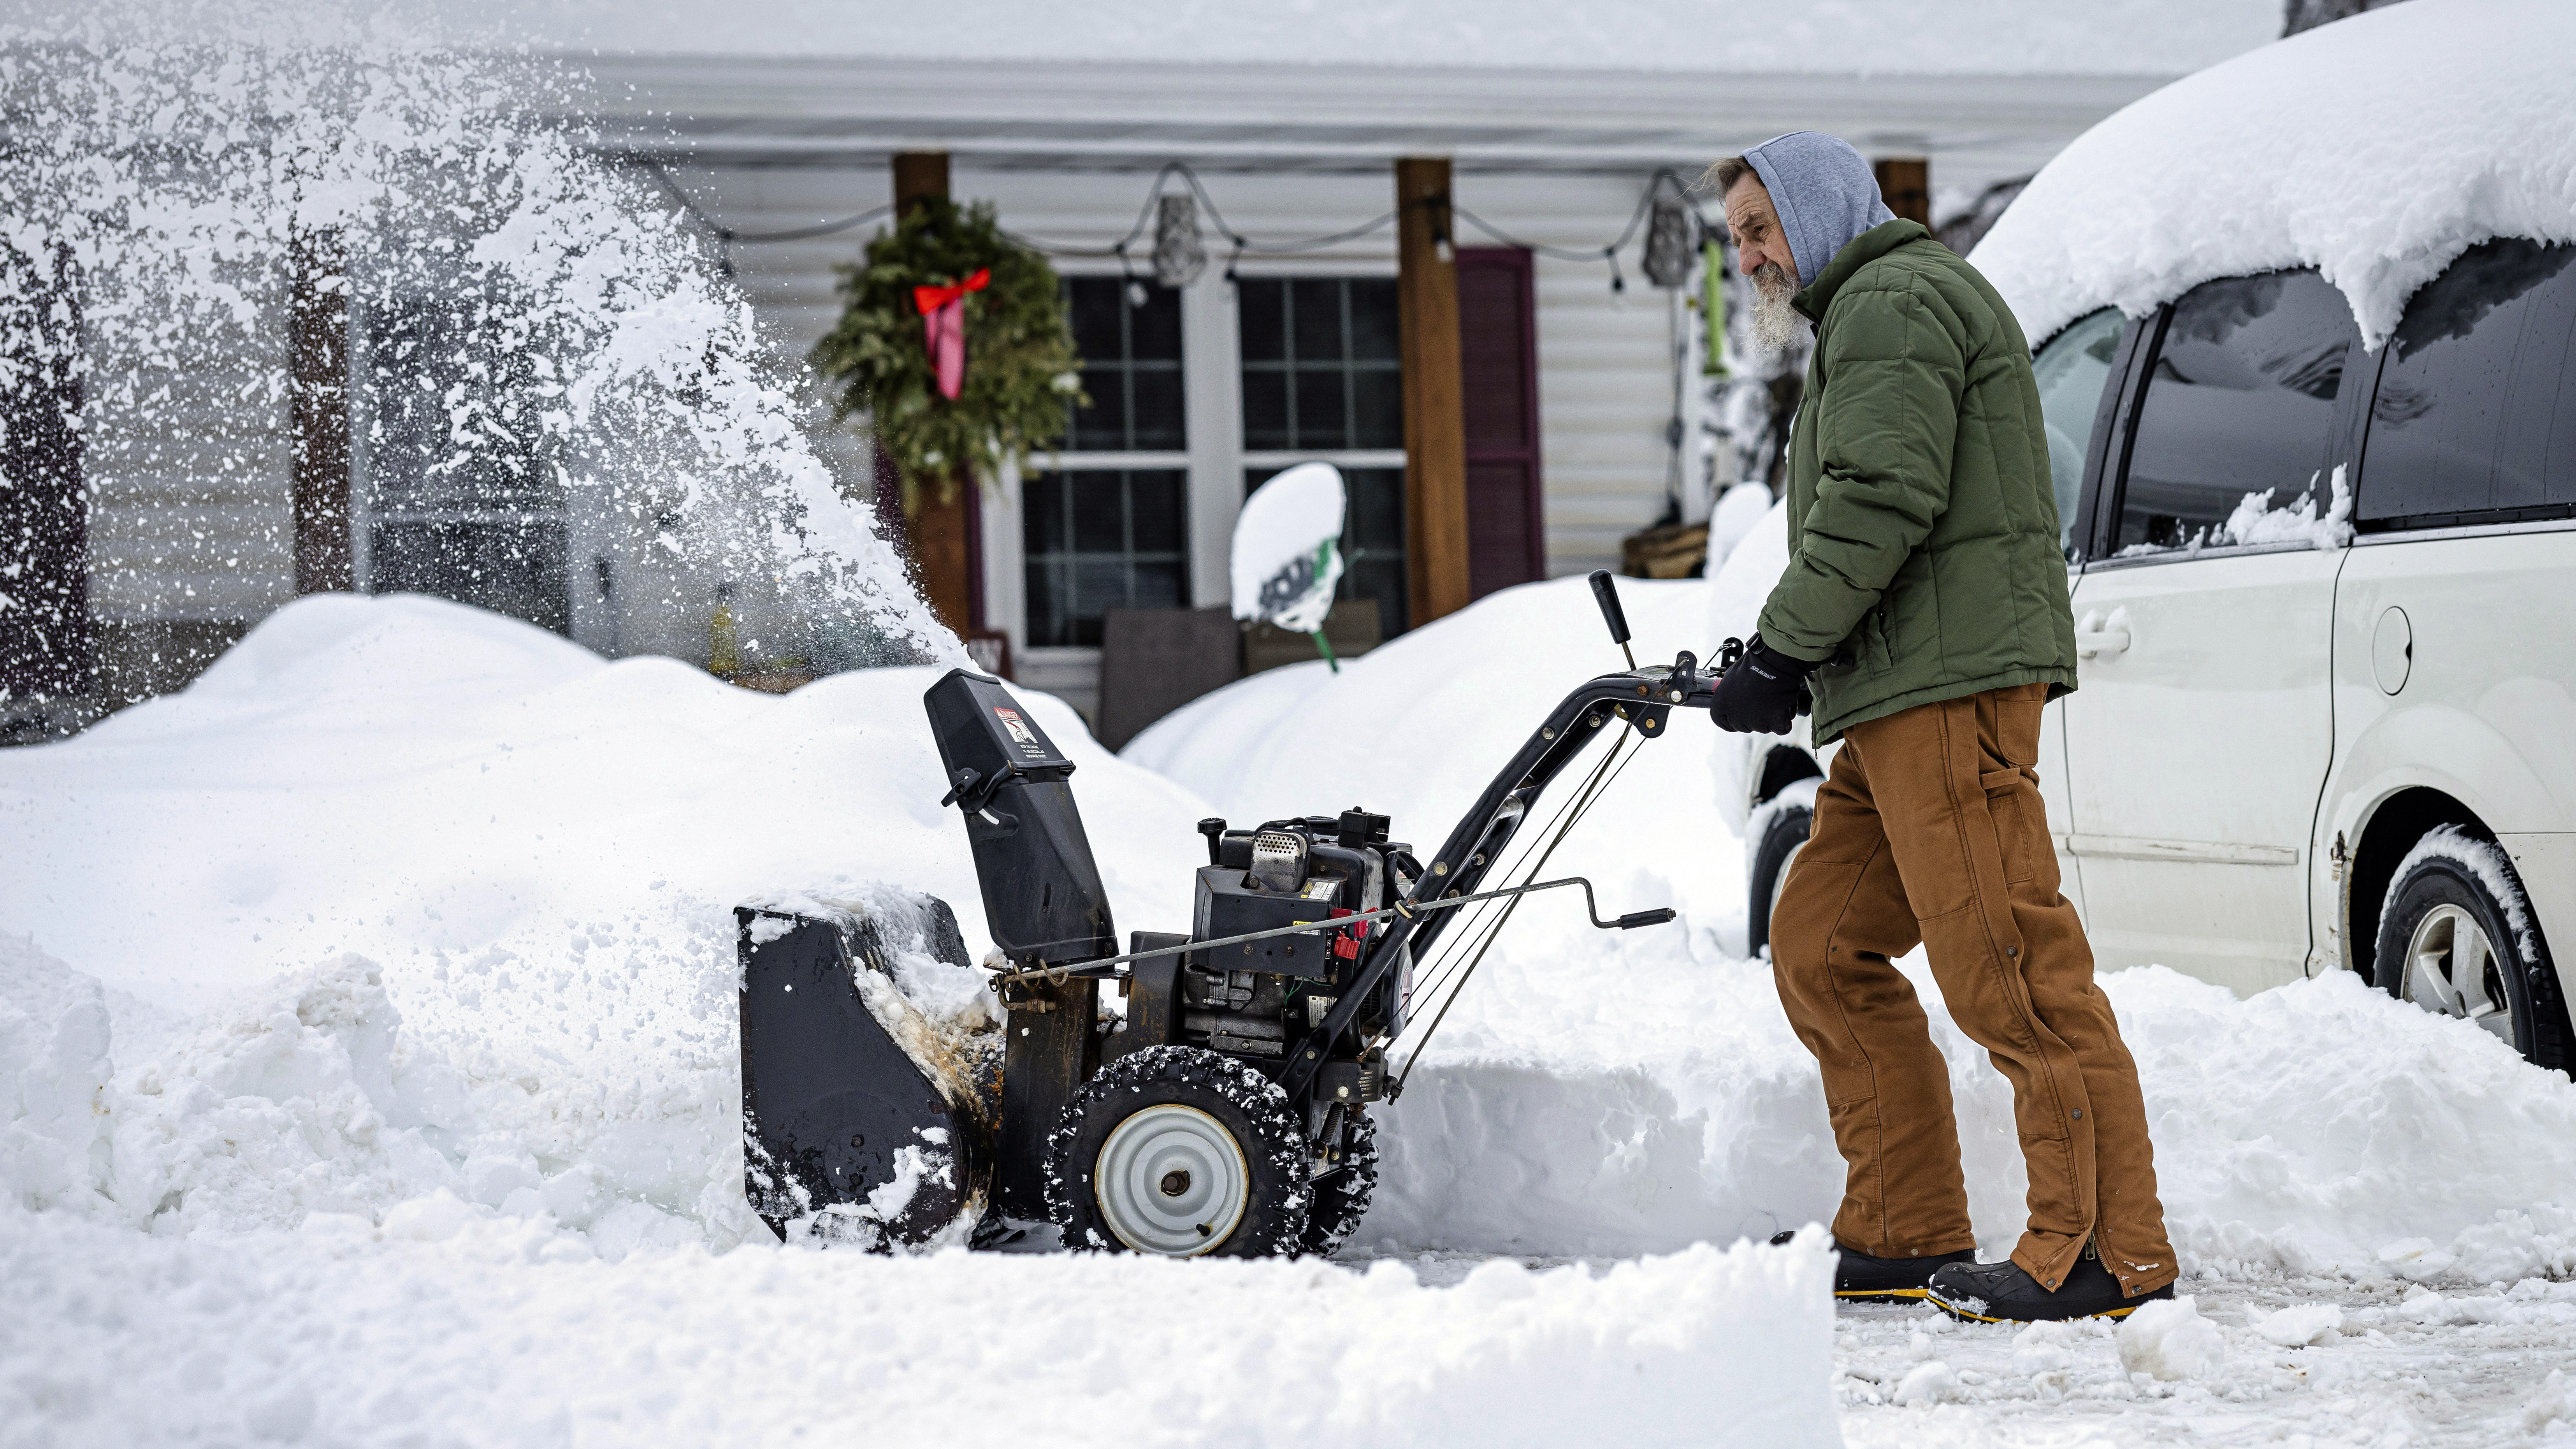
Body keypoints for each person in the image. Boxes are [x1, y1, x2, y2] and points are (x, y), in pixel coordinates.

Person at [1705, 131, 2178, 1323]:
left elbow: (1879, 495)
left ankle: (2102, 1248)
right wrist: (1787, 657)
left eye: (1760, 228)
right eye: (1737, 238)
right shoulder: (1871, 310)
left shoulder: (1892, 301)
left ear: (1818, 211)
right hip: (1893, 693)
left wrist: (1782, 647)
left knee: (2007, 965)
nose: (1748, 256)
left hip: (1945, 689)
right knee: (1820, 941)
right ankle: (1902, 1225)